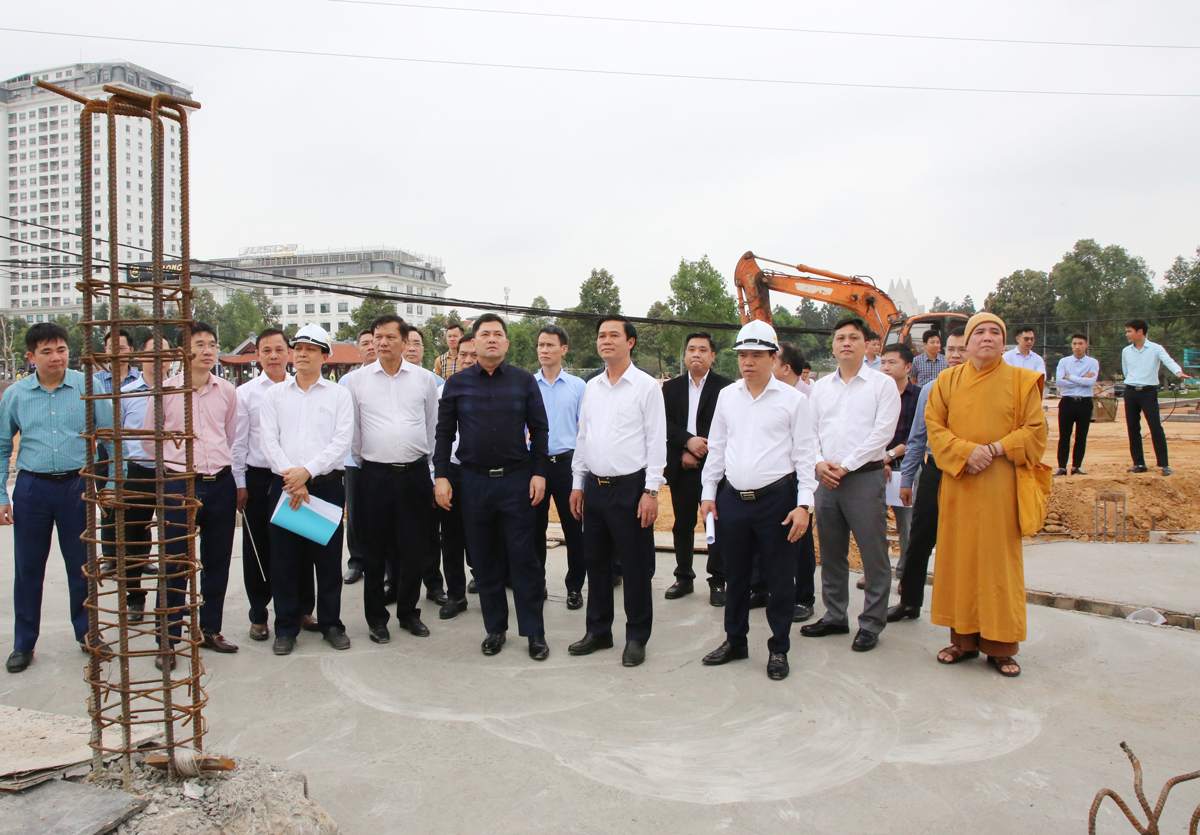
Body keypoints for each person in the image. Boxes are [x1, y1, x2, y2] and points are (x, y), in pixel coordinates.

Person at [924, 312, 1047, 678]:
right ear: (969, 340)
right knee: (959, 561)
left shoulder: (1023, 381)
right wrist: (966, 452)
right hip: (960, 485)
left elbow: (1035, 431)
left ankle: (1001, 646)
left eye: (996, 332)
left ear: (1004, 342)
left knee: (998, 566)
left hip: (1000, 484)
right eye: (981, 332)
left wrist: (993, 449)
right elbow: (935, 428)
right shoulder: (947, 381)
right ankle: (962, 641)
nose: (988, 337)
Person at [699, 321, 816, 682]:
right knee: (735, 575)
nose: (747, 362)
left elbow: (805, 456)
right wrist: (708, 494)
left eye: (756, 355)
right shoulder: (728, 396)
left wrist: (804, 506)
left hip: (777, 502)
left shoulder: (794, 401)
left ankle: (778, 647)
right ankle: (735, 641)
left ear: (772, 356)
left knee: (780, 579)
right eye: (742, 355)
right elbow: (716, 446)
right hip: (733, 499)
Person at [435, 313, 550, 660]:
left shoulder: (523, 381)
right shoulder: (457, 384)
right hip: (472, 482)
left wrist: (539, 472)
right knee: (484, 561)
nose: (492, 339)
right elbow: (444, 434)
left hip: (517, 480)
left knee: (523, 559)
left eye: (498, 334)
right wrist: (441, 475)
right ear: (474, 341)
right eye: (485, 334)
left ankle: (534, 632)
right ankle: (494, 628)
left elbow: (540, 431)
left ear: (507, 343)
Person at [0, 323, 113, 673]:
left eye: (61, 349)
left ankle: (87, 633)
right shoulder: (16, 395)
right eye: (46, 352)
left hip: (76, 487)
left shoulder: (86, 387)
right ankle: (24, 643)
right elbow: (3, 446)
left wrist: (111, 484)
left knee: (82, 565)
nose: (56, 357)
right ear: (31, 357)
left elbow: (111, 439)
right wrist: (2, 496)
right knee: (28, 568)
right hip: (32, 489)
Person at [568, 316, 666, 668]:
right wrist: (578, 483)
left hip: (631, 489)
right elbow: (584, 437)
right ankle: (599, 631)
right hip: (595, 487)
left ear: (631, 342)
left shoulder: (645, 387)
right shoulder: (591, 386)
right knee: (596, 564)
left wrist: (651, 491)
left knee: (636, 566)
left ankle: (637, 636)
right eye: (601, 335)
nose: (605, 340)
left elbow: (657, 441)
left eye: (614, 335)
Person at [800, 317, 900, 653]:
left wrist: (846, 465)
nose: (846, 343)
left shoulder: (881, 385)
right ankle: (835, 614)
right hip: (826, 480)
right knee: (831, 552)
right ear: (833, 345)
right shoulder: (820, 388)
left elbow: (882, 434)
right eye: (840, 337)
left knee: (873, 554)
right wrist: (818, 463)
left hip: (863, 478)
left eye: (853, 338)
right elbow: (809, 432)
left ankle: (871, 622)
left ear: (866, 344)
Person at [144, 322, 240, 666]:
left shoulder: (227, 391)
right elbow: (148, 440)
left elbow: (230, 435)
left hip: (220, 484)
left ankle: (209, 629)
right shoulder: (166, 391)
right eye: (199, 344)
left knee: (217, 561)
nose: (207, 350)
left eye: (212, 344)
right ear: (184, 351)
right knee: (174, 564)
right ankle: (167, 640)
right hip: (178, 485)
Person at [343, 314, 441, 643]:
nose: (382, 343)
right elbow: (354, 433)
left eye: (389, 337)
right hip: (374, 475)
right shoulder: (357, 382)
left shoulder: (424, 380)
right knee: (373, 550)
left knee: (414, 547)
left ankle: (408, 613)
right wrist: (365, 463)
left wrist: (426, 464)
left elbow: (431, 426)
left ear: (404, 341)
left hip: (414, 474)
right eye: (377, 337)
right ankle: (376, 619)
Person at [259, 325, 355, 655]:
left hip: (324, 488)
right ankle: (286, 627)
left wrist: (308, 472)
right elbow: (268, 440)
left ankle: (331, 623)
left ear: (324, 356)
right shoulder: (274, 396)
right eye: (298, 348)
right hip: (286, 488)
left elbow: (341, 441)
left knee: (327, 563)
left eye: (310, 349)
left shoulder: (338, 396)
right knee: (284, 562)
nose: (301, 354)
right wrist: (293, 478)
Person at [232, 328, 318, 642]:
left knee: (302, 545)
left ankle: (303, 609)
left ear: (290, 353)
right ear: (258, 355)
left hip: (300, 478)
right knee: (259, 550)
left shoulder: (305, 387)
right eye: (266, 350)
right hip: (261, 478)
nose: (273, 356)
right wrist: (240, 483)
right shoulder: (246, 393)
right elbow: (239, 443)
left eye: (279, 350)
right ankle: (259, 614)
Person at [887, 328, 967, 623]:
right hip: (934, 470)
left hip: (970, 475)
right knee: (920, 538)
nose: (956, 355)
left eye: (962, 349)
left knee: (963, 544)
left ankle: (962, 608)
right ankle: (909, 601)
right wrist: (907, 480)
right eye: (952, 349)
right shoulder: (931, 390)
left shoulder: (980, 392)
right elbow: (917, 438)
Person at [662, 332, 732, 606]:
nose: (696, 354)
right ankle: (683, 576)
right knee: (682, 524)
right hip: (682, 466)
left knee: (714, 523)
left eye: (703, 350)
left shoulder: (726, 389)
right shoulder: (671, 388)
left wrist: (702, 452)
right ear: (685, 354)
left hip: (713, 469)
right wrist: (685, 446)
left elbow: (728, 427)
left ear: (712, 356)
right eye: (691, 349)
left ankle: (718, 580)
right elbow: (663, 425)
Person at [532, 325, 587, 610]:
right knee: (533, 530)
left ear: (563, 349)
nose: (544, 350)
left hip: (568, 465)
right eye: (540, 345)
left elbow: (585, 430)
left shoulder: (578, 387)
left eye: (550, 345)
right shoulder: (528, 384)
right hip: (536, 467)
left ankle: (574, 587)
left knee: (574, 529)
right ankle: (536, 583)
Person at [402, 326, 448, 605]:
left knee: (429, 532)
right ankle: (394, 583)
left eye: (417, 343)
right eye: (407, 342)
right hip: (389, 468)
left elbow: (435, 428)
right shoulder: (379, 379)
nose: (411, 348)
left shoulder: (434, 382)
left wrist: (435, 470)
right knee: (395, 534)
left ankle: (433, 584)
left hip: (423, 466)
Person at [771, 342, 817, 623]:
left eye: (771, 360)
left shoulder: (808, 398)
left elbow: (810, 444)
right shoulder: (768, 396)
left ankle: (803, 596)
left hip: (799, 478)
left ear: (785, 368)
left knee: (800, 541)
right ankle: (768, 590)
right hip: (773, 480)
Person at [436, 333, 477, 618]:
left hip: (482, 474)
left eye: (473, 355)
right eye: (462, 355)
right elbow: (435, 436)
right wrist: (438, 475)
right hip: (451, 471)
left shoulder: (494, 390)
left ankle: (488, 588)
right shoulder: (443, 392)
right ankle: (456, 595)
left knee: (484, 537)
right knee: (451, 538)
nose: (467, 360)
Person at [1121, 319, 1190, 476]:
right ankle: (1138, 463)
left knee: (1155, 426)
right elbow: (1126, 370)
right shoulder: (1126, 351)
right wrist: (1131, 382)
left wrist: (1178, 372)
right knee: (1133, 428)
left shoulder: (1155, 348)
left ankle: (1164, 464)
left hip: (1148, 392)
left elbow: (1168, 361)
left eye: (1129, 331)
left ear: (1140, 332)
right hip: (1131, 391)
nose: (1127, 334)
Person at [880, 344, 920, 581]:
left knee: (906, 525)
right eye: (883, 362)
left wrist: (890, 455)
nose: (885, 367)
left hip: (906, 468)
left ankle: (905, 573)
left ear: (907, 367)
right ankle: (877, 571)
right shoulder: (875, 395)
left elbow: (916, 437)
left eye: (891, 362)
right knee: (875, 524)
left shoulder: (918, 396)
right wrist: (879, 459)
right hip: (877, 467)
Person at [341, 329, 376, 585]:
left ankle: (385, 566)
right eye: (365, 343)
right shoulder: (348, 381)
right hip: (354, 460)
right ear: (359, 349)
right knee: (355, 513)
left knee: (382, 515)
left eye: (374, 342)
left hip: (382, 458)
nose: (371, 347)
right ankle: (357, 562)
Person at [1054, 333, 1100, 476]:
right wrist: (1081, 379)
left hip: (1085, 402)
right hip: (1067, 401)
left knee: (1081, 436)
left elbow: (1090, 382)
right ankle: (1062, 467)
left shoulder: (1093, 362)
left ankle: (1076, 466)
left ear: (1086, 345)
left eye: (1080, 343)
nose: (1077, 347)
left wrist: (1071, 377)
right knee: (1064, 436)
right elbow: (1060, 382)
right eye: (1074, 344)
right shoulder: (1064, 362)